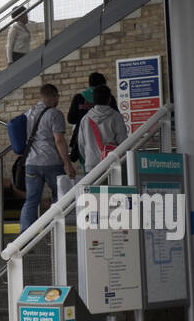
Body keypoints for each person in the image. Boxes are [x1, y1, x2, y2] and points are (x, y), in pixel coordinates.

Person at [19, 83, 76, 232]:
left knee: (31, 200)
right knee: (59, 196)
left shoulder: (28, 113)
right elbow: (59, 140)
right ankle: (54, 228)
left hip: (31, 163)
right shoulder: (54, 114)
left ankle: (24, 237)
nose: (58, 99)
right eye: (57, 96)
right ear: (53, 96)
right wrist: (67, 163)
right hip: (51, 162)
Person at [67, 70, 117, 161]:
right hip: (108, 139)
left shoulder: (79, 97)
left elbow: (71, 119)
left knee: (89, 169)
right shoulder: (109, 97)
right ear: (103, 85)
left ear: (89, 84)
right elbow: (117, 117)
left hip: (85, 138)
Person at [78, 84, 128, 173]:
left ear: (93, 100)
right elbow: (123, 142)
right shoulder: (116, 117)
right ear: (109, 99)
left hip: (92, 165)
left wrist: (90, 157)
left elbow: (81, 145)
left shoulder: (85, 119)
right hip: (112, 164)